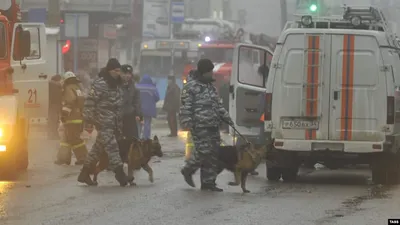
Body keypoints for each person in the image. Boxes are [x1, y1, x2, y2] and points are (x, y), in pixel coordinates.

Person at [180, 58, 234, 192]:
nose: (212, 74)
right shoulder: (191, 87)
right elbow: (186, 106)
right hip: (199, 125)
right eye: (210, 71)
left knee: (213, 154)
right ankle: (188, 169)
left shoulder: (211, 87)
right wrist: (187, 122)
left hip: (213, 125)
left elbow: (218, 105)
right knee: (203, 152)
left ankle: (208, 182)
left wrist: (227, 118)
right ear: (204, 72)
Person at [77, 58, 128, 186]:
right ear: (110, 71)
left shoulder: (117, 84)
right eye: (116, 71)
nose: (118, 73)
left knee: (97, 149)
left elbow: (118, 104)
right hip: (102, 121)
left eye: (119, 70)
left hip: (112, 122)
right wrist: (89, 118)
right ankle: (120, 174)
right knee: (112, 147)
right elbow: (90, 101)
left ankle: (84, 174)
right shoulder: (100, 84)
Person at [54, 72, 88, 165]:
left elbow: (70, 101)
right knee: (66, 138)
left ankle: (83, 158)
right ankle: (63, 158)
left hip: (71, 118)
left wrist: (64, 114)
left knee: (75, 139)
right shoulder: (77, 88)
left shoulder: (68, 88)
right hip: (78, 117)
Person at [119, 64, 143, 162]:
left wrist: (138, 114)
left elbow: (136, 102)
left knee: (133, 138)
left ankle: (133, 159)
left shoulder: (134, 87)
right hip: (118, 117)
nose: (127, 76)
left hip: (130, 116)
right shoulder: (115, 85)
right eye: (125, 73)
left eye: (129, 74)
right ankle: (118, 159)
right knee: (119, 140)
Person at [136, 74, 160, 139]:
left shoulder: (137, 87)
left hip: (139, 108)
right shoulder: (153, 88)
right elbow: (157, 98)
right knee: (147, 123)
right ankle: (146, 137)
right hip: (149, 109)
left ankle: (138, 136)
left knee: (138, 123)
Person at [48, 74, 63, 140]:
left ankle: (52, 135)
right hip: (55, 105)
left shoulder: (50, 85)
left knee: (53, 121)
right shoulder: (57, 85)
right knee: (54, 121)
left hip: (52, 105)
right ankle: (53, 135)